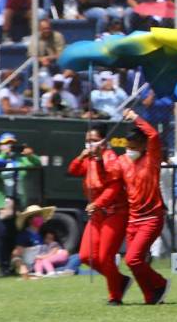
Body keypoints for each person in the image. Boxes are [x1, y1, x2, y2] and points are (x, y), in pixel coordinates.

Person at [68, 123, 131, 304]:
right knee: (86, 256)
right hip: (96, 214)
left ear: (103, 141)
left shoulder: (111, 158)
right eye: (87, 140)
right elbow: (73, 170)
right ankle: (119, 280)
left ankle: (115, 295)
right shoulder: (88, 159)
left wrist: (98, 202)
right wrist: (82, 156)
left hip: (114, 212)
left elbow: (114, 185)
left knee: (105, 257)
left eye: (94, 140)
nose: (90, 144)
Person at [117, 110, 169, 304]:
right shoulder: (123, 162)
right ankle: (150, 296)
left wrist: (134, 117)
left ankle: (161, 283)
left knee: (133, 259)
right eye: (127, 145)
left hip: (151, 217)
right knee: (135, 262)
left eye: (133, 145)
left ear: (143, 145)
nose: (129, 149)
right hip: (133, 219)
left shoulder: (151, 159)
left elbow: (154, 135)